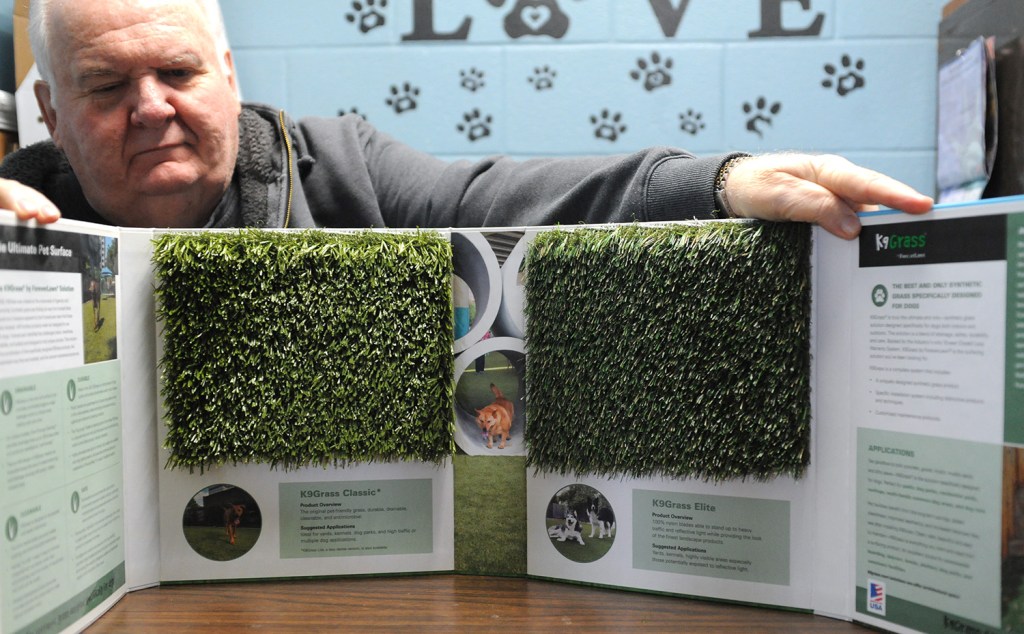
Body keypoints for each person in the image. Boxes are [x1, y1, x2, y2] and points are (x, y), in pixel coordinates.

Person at [0, 0, 933, 239]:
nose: (151, 106)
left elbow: (504, 198)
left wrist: (722, 182)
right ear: (49, 112)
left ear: (230, 77)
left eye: (176, 71)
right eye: (105, 86)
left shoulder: (340, 168)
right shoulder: (14, 228)